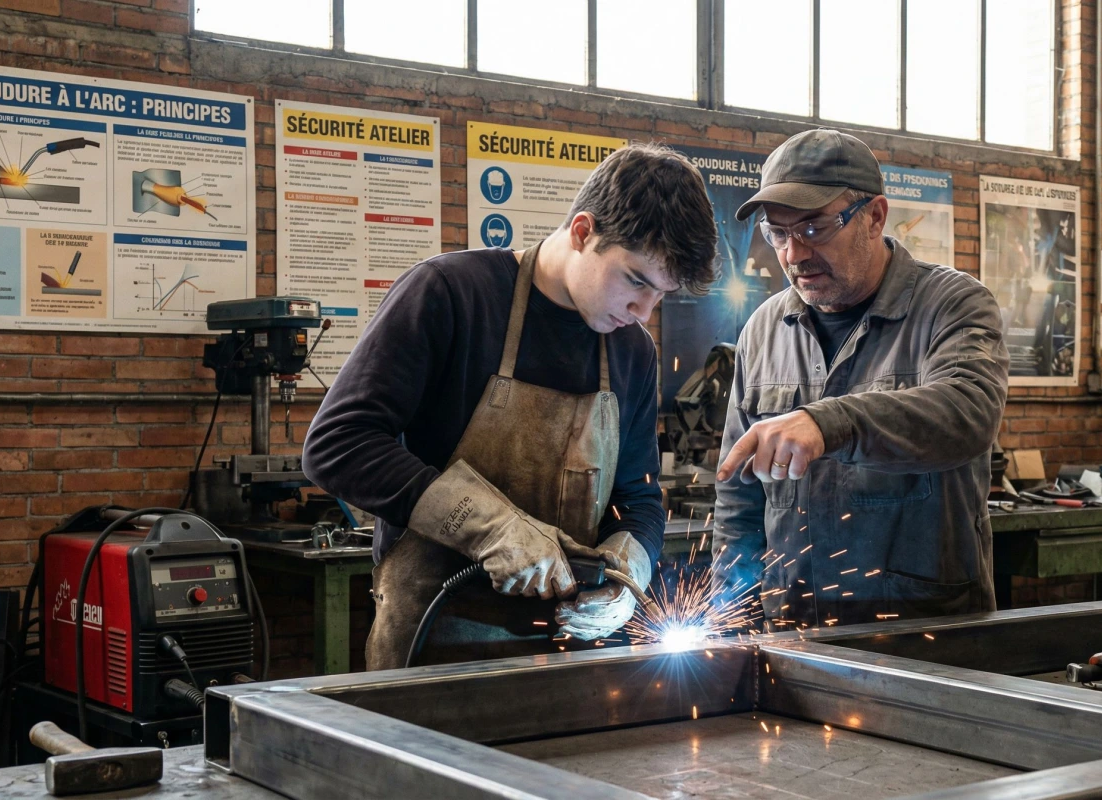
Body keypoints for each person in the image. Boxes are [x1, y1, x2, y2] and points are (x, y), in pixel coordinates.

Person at [304, 143, 718, 669]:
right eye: (636, 280)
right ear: (583, 232)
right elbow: (338, 445)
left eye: (663, 294)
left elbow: (637, 498)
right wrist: (493, 527)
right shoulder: (452, 295)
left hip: (572, 656)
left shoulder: (632, 350)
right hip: (434, 645)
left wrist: (628, 569)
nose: (643, 310)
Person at [712, 129, 1009, 631]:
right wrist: (729, 612)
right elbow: (739, 498)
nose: (792, 255)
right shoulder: (764, 328)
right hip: (795, 632)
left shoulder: (952, 305)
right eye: (777, 234)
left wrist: (829, 422)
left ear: (874, 216)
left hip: (923, 634)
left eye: (813, 229)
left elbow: (968, 412)